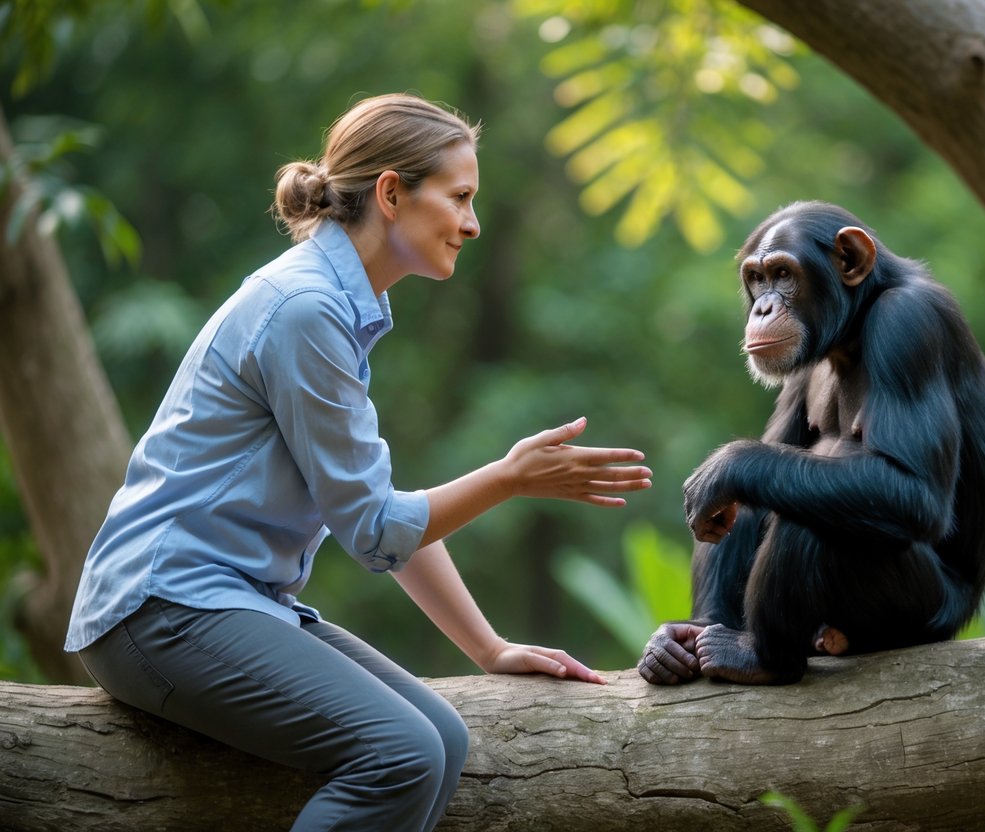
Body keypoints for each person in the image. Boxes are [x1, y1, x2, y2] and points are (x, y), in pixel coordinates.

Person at [64, 93, 652, 831]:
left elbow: (382, 513)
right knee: (399, 752)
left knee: (441, 737)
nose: (472, 223)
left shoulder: (335, 307)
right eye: (460, 197)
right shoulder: (306, 310)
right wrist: (511, 477)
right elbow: (377, 529)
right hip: (162, 609)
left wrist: (488, 647)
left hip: (220, 603)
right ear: (391, 194)